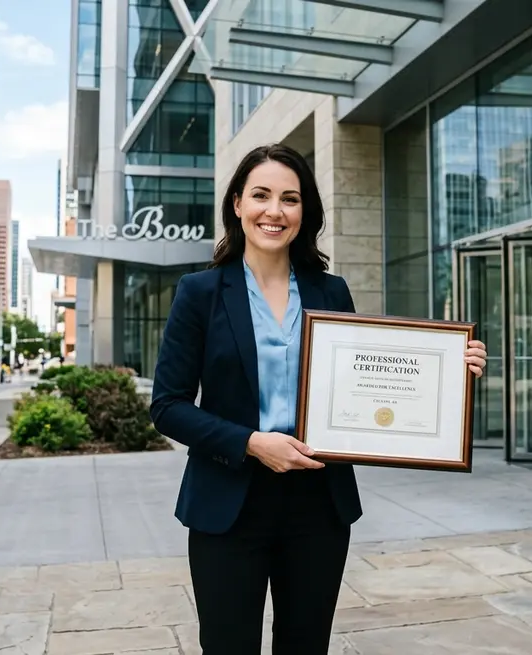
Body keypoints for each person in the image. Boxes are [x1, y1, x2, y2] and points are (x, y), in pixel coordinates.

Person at [149, 143, 488, 654]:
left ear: (305, 212)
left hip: (317, 503)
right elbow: (168, 405)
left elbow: (370, 380)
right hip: (228, 501)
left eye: (291, 198)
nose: (275, 211)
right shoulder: (199, 292)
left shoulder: (331, 291)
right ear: (237, 204)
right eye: (261, 195)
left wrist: (452, 372)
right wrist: (251, 443)